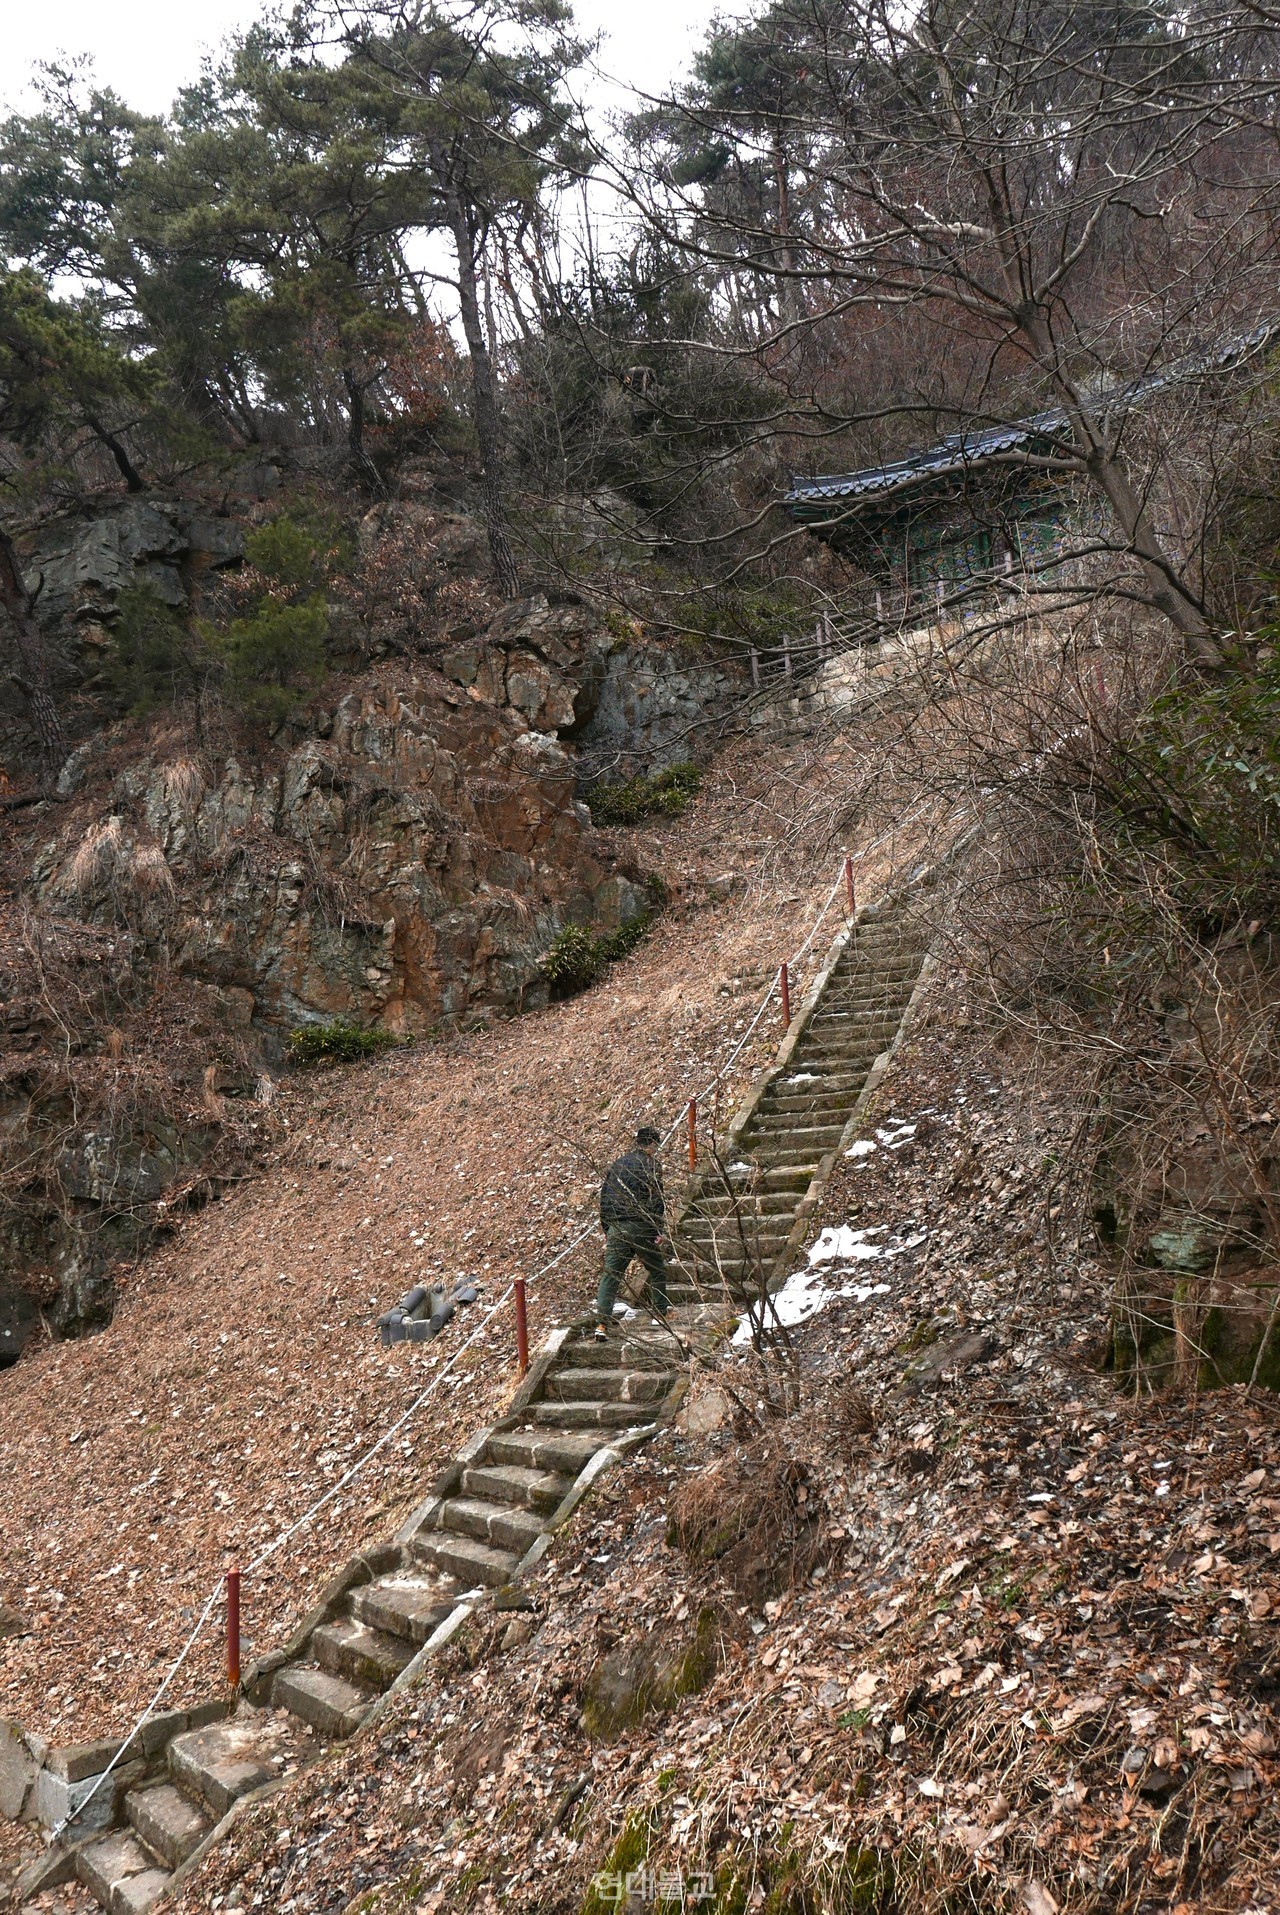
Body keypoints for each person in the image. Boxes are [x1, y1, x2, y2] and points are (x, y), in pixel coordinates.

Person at [595, 1125, 669, 1338]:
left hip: (616, 1227)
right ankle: (660, 1313)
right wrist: (658, 1229)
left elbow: (605, 1197)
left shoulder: (617, 1165)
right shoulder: (651, 1165)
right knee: (656, 1269)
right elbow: (656, 1200)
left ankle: (601, 1324)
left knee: (611, 1276)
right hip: (641, 1226)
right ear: (653, 1144)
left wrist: (607, 1227)